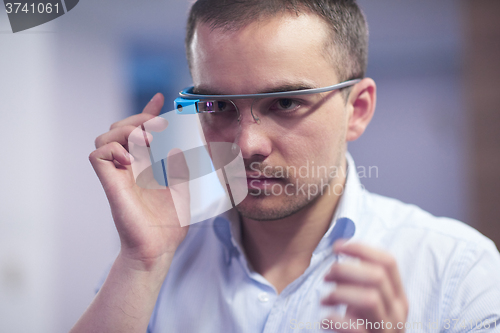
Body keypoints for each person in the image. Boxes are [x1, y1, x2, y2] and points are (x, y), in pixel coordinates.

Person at [71, 0, 500, 332]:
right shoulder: (156, 265)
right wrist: (142, 261)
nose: (247, 144)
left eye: (286, 103)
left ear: (358, 109)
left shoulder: (460, 272)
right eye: (218, 105)